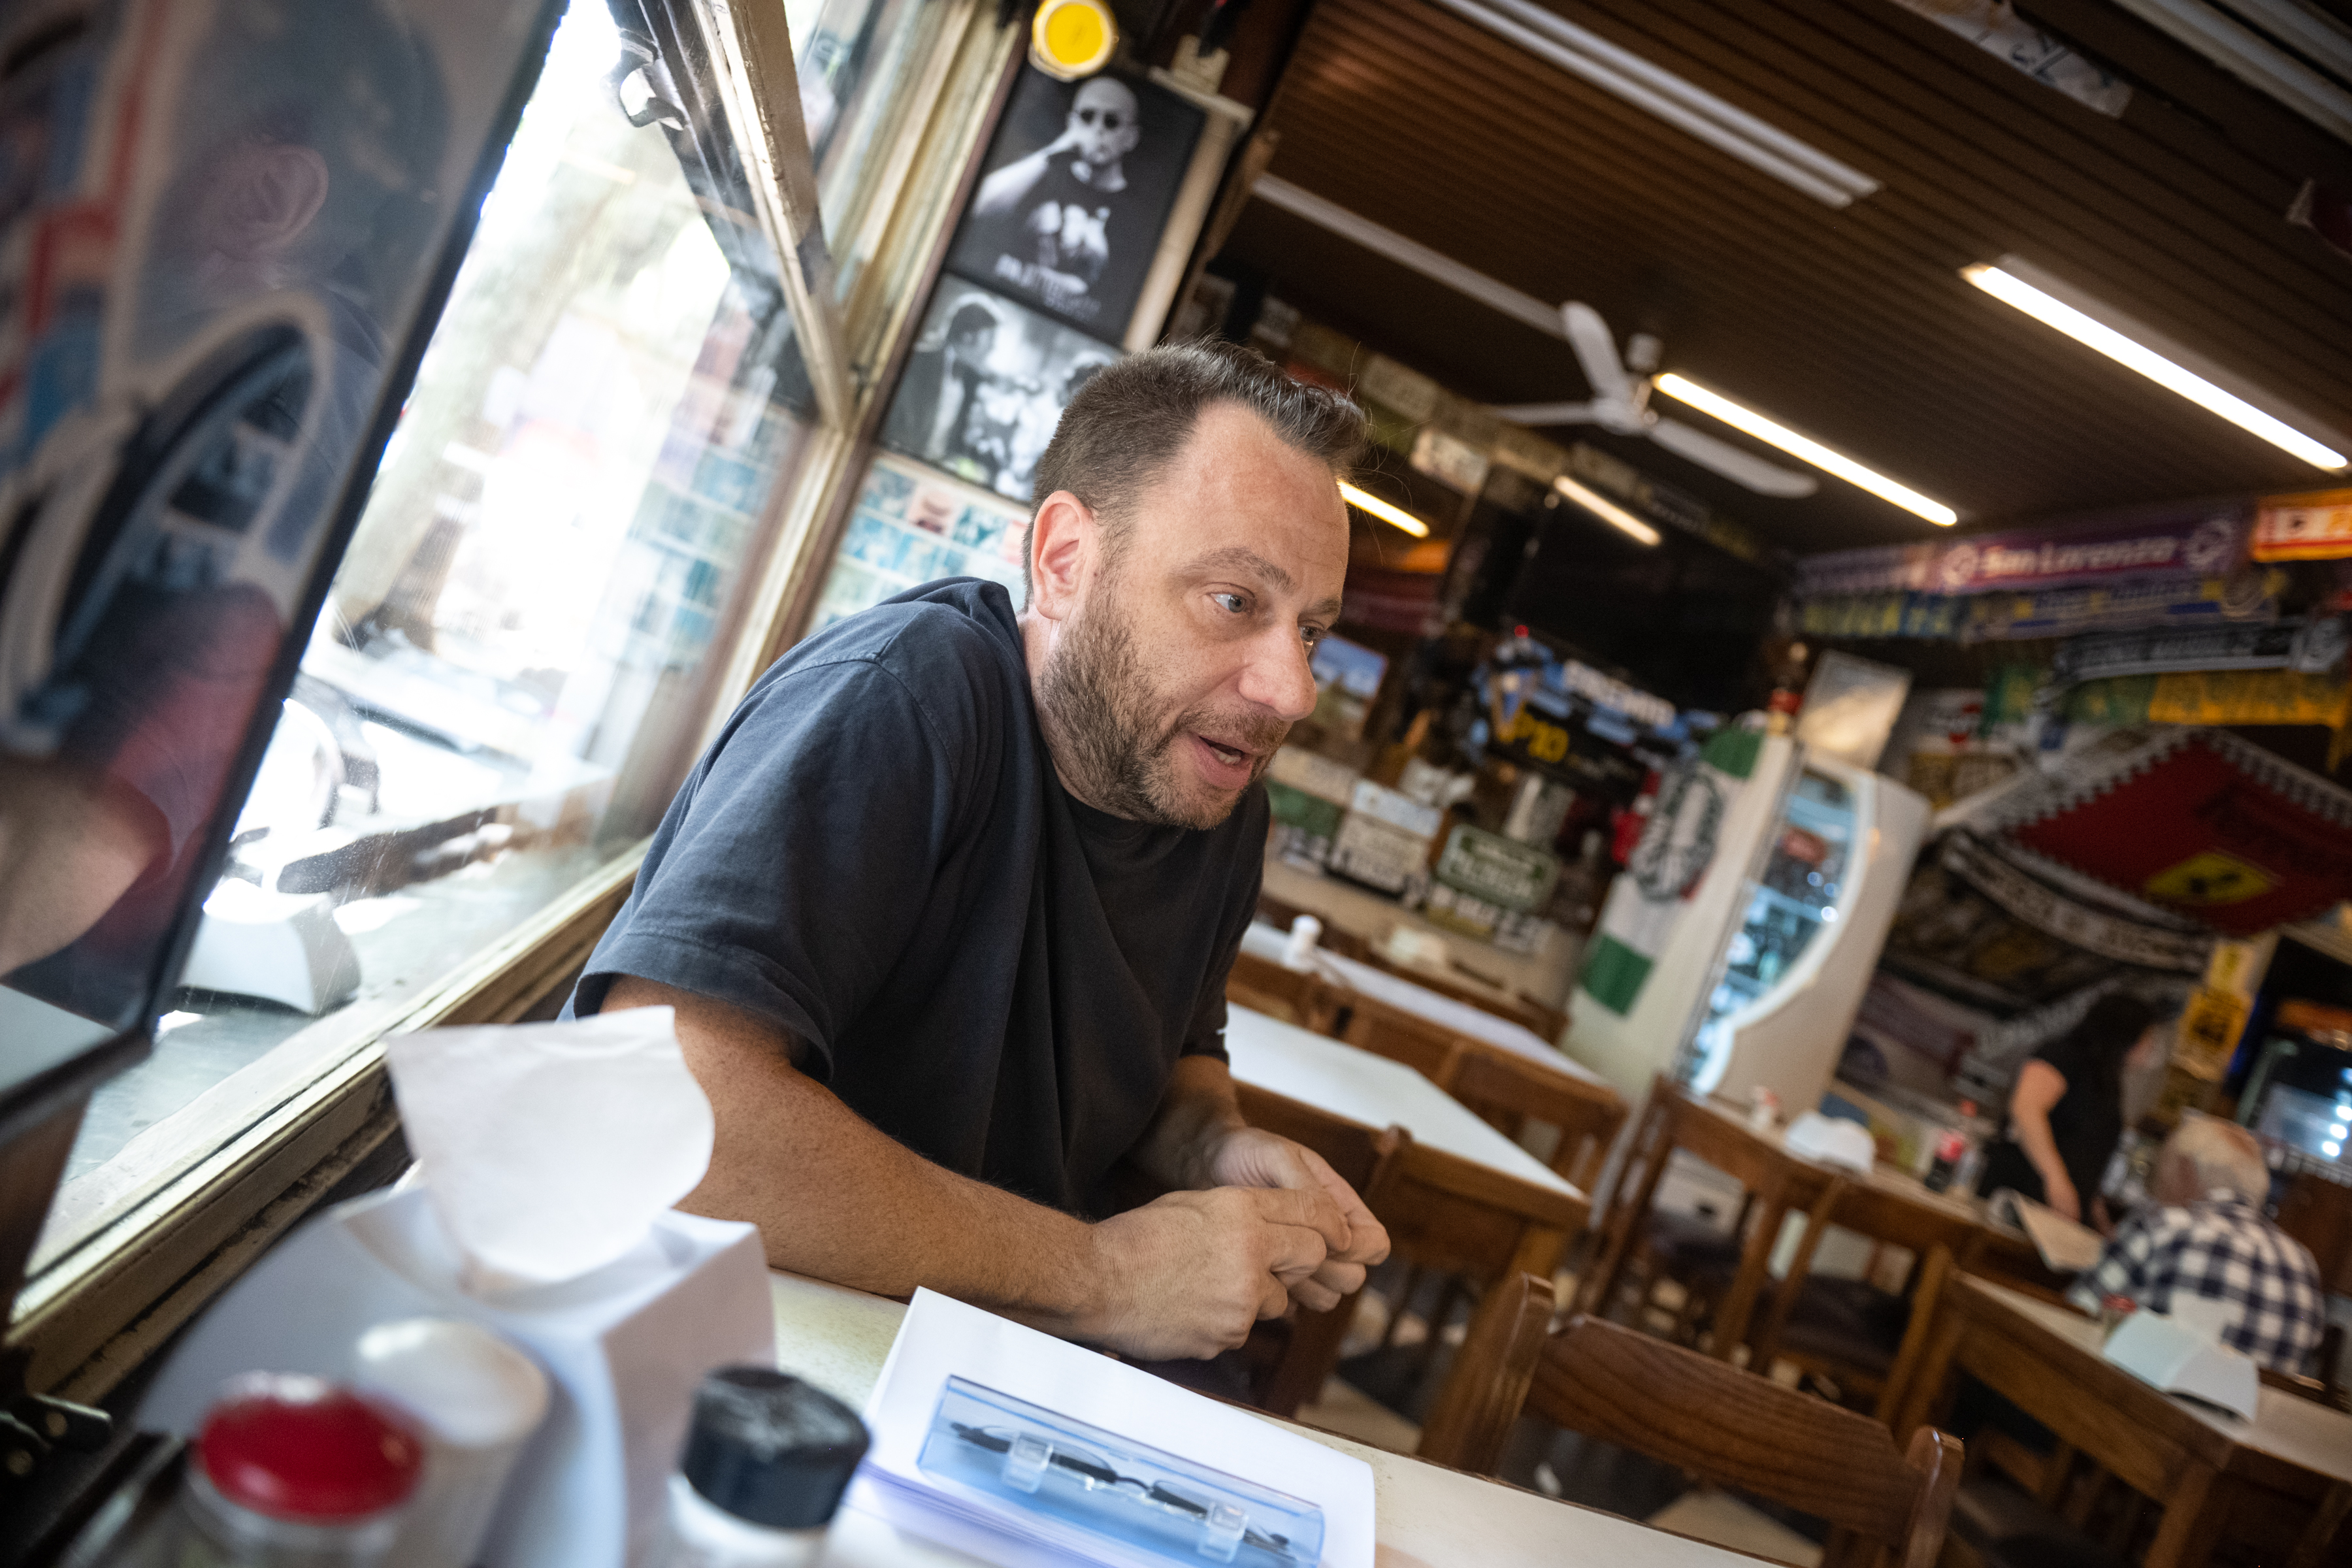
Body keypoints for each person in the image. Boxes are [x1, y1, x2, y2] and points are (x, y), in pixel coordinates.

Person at [566, 341, 1387, 1362]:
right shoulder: (906, 696)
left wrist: (1212, 1146)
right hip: (705, 1347)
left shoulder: (1215, 797)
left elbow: (1176, 1056)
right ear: (1065, 561)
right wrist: (1104, 1276)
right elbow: (651, 1102)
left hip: (961, 1360)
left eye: (1310, 632)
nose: (1292, 691)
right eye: (1235, 602)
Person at [2069, 1117, 2325, 1374]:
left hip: (2135, 1393)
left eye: (2161, 1168)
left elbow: (2077, 1313)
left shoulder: (2163, 1226)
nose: (2155, 1186)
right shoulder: (2304, 1262)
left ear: (2185, 1169)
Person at [970, 78, 1148, 325]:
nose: (1097, 130)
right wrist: (1058, 148)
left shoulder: (1135, 217)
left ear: (1131, 137)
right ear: (1072, 122)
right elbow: (977, 205)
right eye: (1087, 117)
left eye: (1111, 121)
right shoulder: (1041, 170)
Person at [1976, 992, 2164, 1226]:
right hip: (2020, 1202)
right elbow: (2026, 1110)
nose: (2151, 1047)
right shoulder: (2063, 1056)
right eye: (2148, 1038)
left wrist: (2100, 1222)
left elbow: (2086, 1161)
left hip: (2059, 1219)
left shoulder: (2106, 1082)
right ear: (2127, 1036)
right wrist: (2056, 1180)